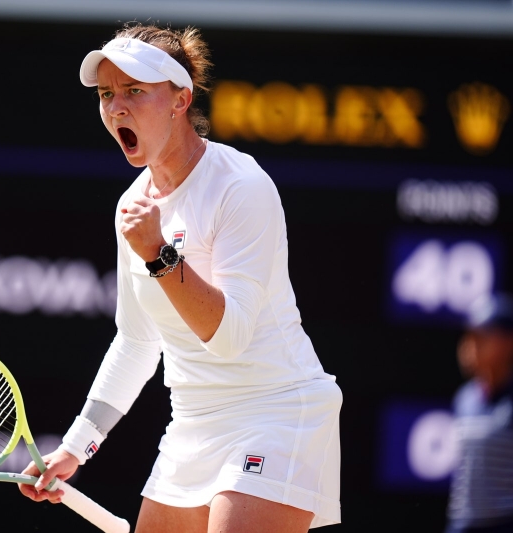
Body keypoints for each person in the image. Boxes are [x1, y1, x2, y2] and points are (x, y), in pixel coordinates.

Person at [19, 24, 342, 532]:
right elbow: (136, 341)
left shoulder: (241, 186)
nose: (116, 108)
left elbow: (230, 338)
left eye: (134, 91)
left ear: (180, 99)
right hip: (191, 425)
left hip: (275, 415)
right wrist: (76, 446)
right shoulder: (132, 205)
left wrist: (157, 251)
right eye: (107, 94)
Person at [446, 293, 513, 533]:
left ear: (508, 343)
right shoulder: (465, 399)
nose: (470, 345)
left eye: (482, 337)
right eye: (470, 336)